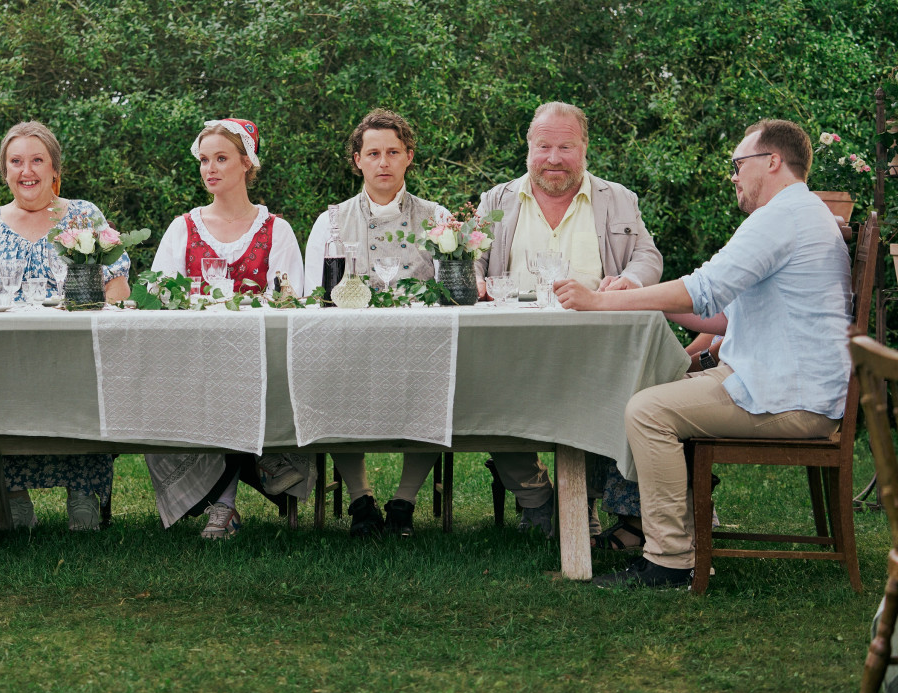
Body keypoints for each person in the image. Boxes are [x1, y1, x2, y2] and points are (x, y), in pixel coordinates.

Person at [556, 118, 850, 588]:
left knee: (648, 410)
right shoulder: (798, 213)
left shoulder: (782, 217)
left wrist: (602, 300)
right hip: (783, 382)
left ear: (772, 161)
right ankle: (682, 540)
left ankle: (669, 563)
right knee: (648, 392)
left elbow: (704, 291)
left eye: (738, 164)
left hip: (791, 396)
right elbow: (723, 315)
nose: (733, 175)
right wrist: (636, 293)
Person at [473, 101, 663, 538]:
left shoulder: (617, 199)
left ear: (584, 148)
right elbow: (472, 259)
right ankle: (536, 499)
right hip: (511, 349)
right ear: (528, 148)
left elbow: (648, 256)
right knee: (481, 391)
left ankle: (587, 503)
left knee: (614, 394)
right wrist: (476, 279)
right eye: (544, 146)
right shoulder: (496, 200)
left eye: (566, 147)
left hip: (595, 346)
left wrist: (631, 281)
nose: (554, 159)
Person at [0, 120, 129, 531]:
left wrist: (93, 319)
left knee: (79, 378)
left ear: (54, 169)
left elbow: (117, 285)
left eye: (37, 160)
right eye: (16, 161)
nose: (27, 170)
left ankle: (84, 491)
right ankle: (11, 494)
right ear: (5, 171)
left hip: (74, 349)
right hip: (2, 353)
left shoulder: (84, 215)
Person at [147, 118, 308, 539]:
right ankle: (242, 484)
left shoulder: (278, 230)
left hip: (264, 362)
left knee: (240, 379)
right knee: (216, 379)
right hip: (193, 359)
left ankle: (226, 503)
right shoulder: (183, 228)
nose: (209, 168)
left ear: (246, 164)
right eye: (204, 160)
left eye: (221, 158)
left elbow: (292, 300)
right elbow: (160, 292)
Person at [303, 108, 451, 538]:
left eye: (392, 152)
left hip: (421, 350)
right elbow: (317, 296)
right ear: (358, 161)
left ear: (408, 156)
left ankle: (405, 500)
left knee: (437, 386)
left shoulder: (437, 217)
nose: (383, 162)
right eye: (373, 153)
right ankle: (359, 499)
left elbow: (453, 290)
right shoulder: (330, 221)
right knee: (327, 385)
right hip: (349, 349)